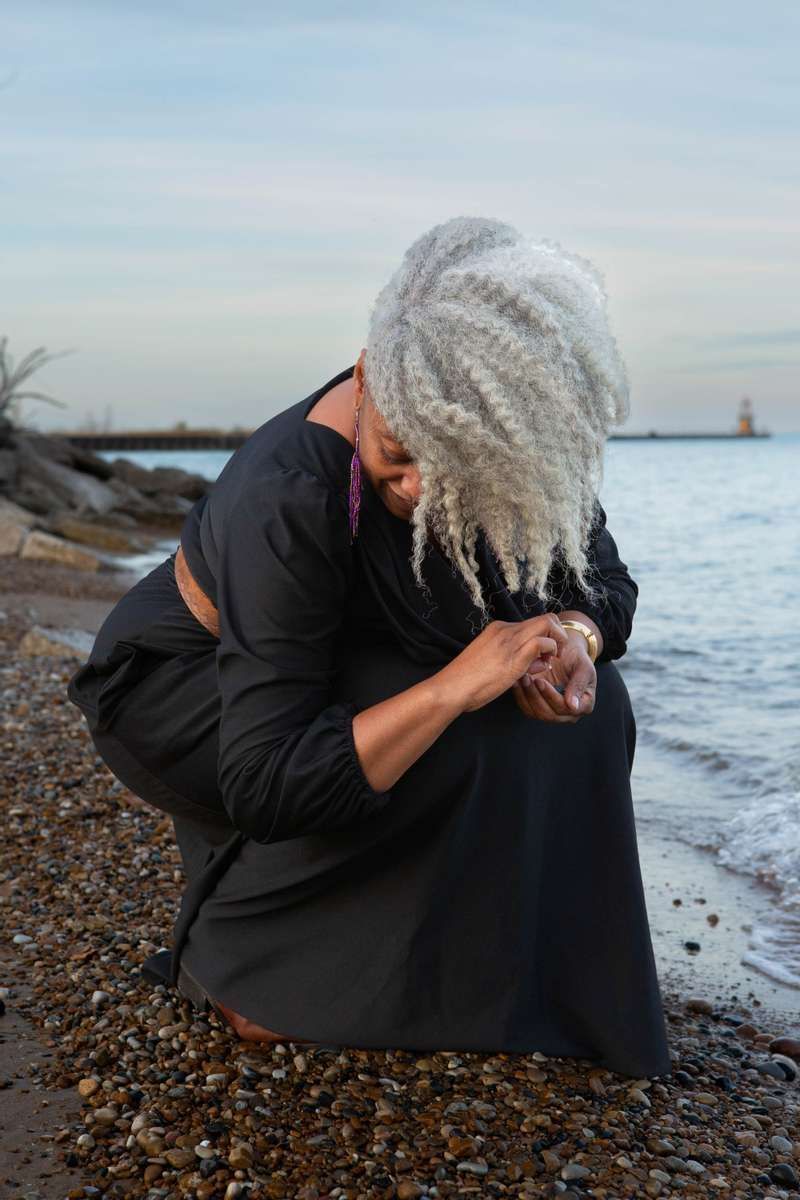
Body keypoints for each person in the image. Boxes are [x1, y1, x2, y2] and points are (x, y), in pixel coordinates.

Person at [67, 215, 671, 1077]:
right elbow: (267, 780)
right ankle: (255, 964)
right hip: (190, 693)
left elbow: (603, 585)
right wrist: (453, 688)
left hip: (338, 667)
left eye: (455, 465)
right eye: (397, 451)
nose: (422, 486)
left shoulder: (502, 444)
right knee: (454, 718)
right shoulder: (289, 496)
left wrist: (572, 637)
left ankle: (519, 964)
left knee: (592, 702)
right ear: (365, 372)